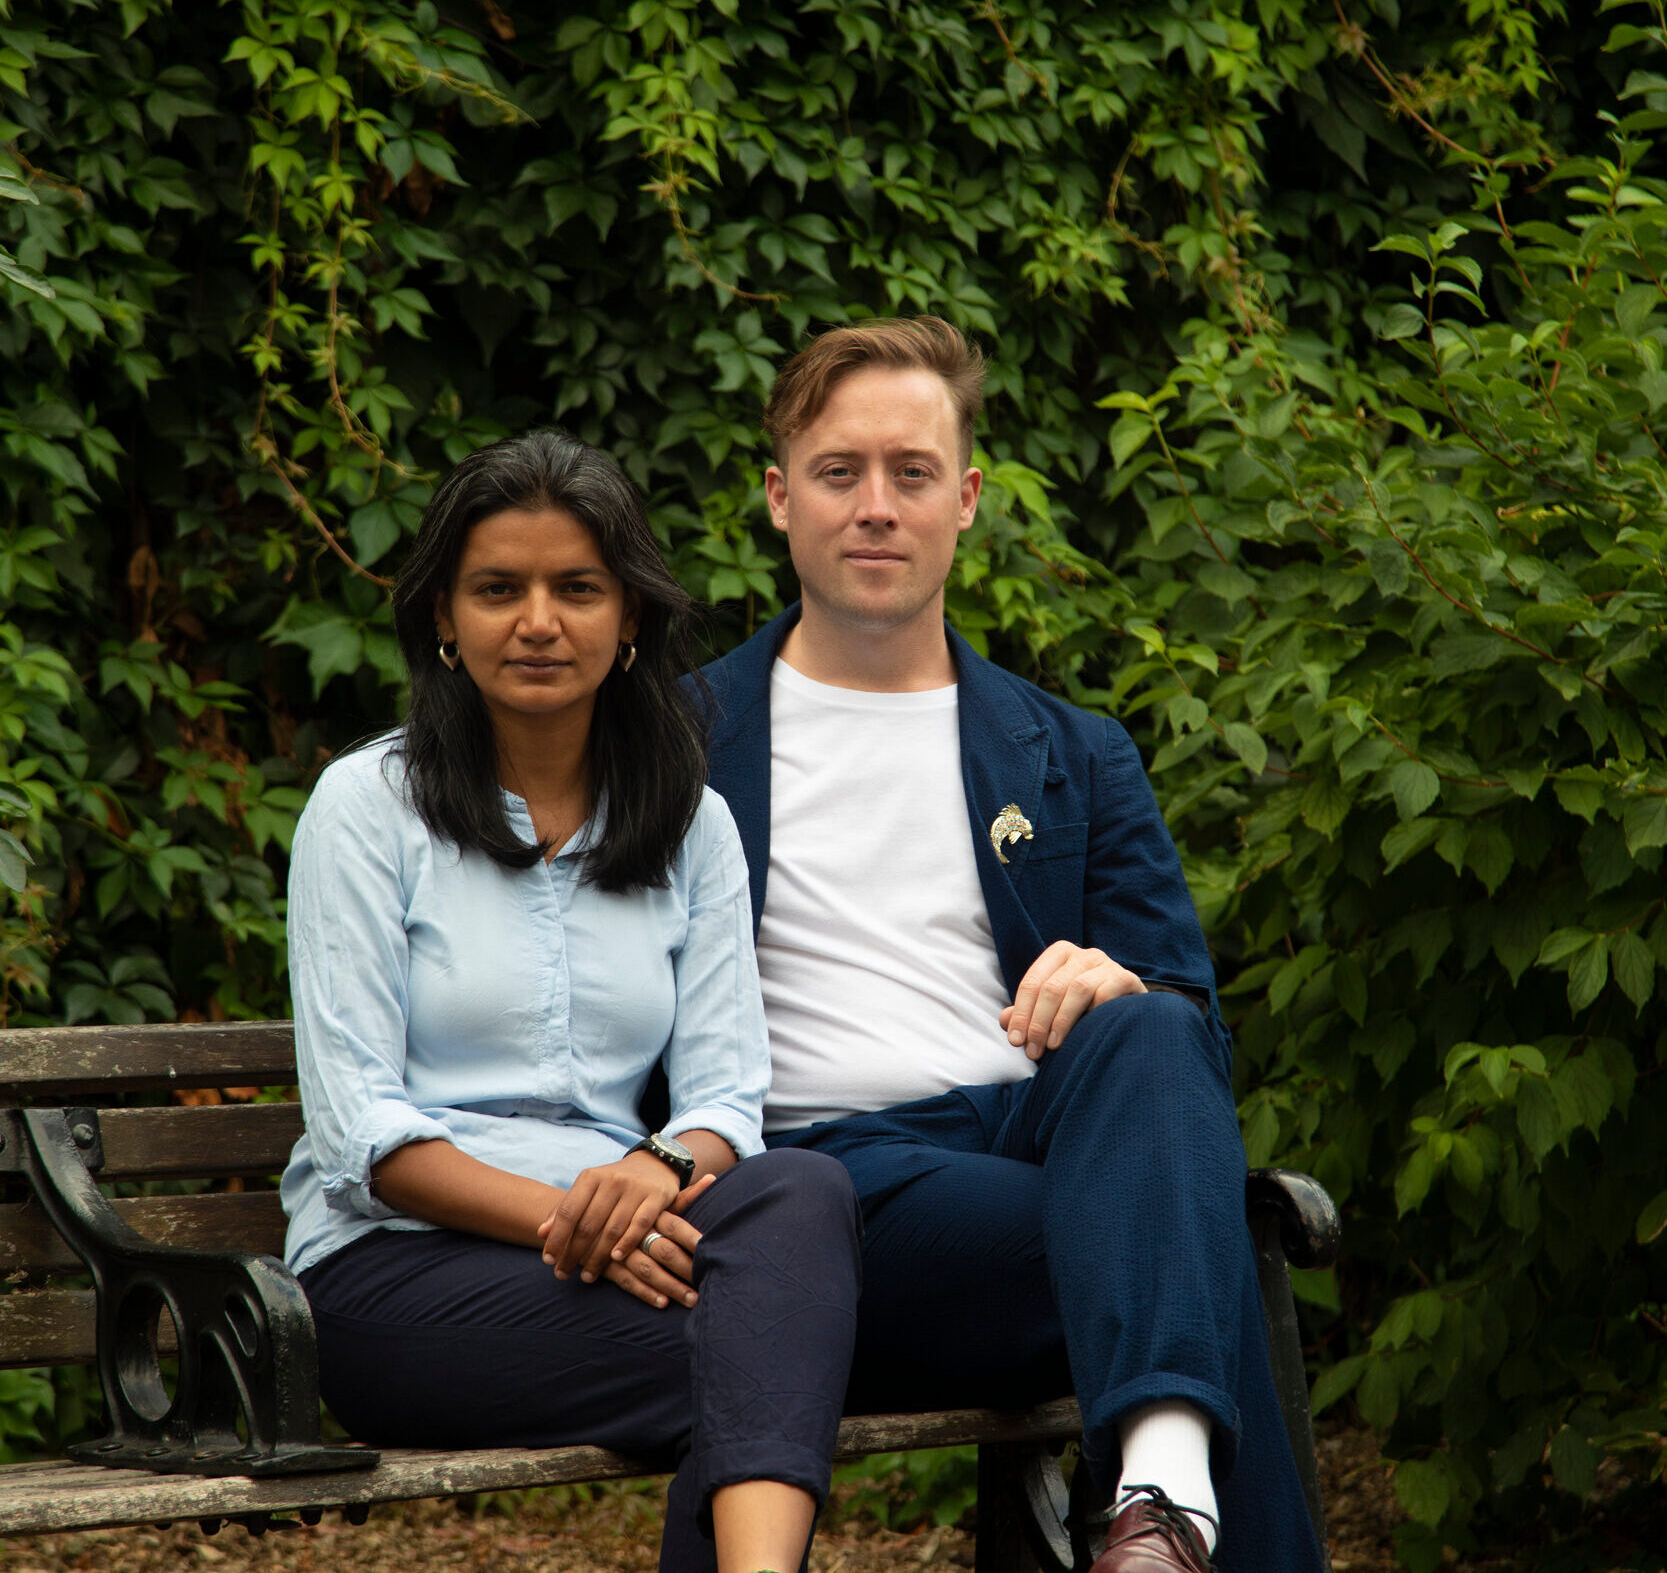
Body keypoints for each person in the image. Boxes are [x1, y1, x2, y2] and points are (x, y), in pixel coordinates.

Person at [694, 320, 1326, 1573]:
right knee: (1204, 1242)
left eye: (912, 474)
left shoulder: (1072, 751)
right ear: (778, 499)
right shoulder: (675, 742)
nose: (876, 507)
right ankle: (1166, 1504)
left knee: (1143, 1021)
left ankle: (1158, 1505)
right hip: (828, 1192)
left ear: (966, 499)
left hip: (1032, 1131)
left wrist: (1115, 979)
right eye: (837, 473)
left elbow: (1192, 1030)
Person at [280, 430, 861, 1573]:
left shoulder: (690, 824)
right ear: (444, 618)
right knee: (760, 1348)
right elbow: (363, 1133)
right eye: (497, 589)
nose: (537, 621)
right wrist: (571, 1222)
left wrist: (658, 1173)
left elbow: (726, 1094)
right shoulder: (366, 808)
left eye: (577, 589)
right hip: (395, 1274)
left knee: (804, 1188)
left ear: (629, 619)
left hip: (614, 1240)